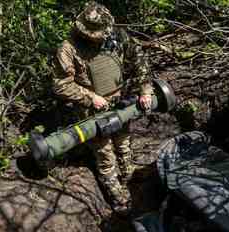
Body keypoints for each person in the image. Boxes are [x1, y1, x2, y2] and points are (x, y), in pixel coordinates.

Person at [51, 1, 153, 213]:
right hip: (93, 110)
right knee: (105, 154)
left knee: (124, 141)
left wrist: (145, 89)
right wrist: (90, 97)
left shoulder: (116, 35)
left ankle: (129, 174)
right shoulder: (68, 48)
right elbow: (61, 85)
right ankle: (118, 198)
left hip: (120, 101)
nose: (103, 36)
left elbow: (139, 58)